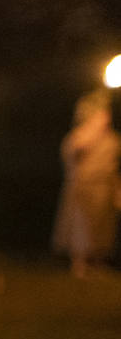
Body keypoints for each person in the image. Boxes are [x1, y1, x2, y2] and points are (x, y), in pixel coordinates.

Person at [52, 89, 120, 277]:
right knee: (82, 226)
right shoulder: (80, 136)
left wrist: (117, 189)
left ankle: (98, 261)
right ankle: (79, 263)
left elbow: (113, 166)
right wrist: (89, 138)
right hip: (83, 186)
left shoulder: (112, 140)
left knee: (103, 227)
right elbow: (72, 156)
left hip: (104, 187)